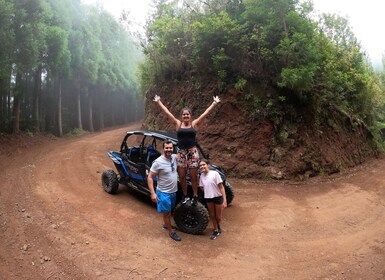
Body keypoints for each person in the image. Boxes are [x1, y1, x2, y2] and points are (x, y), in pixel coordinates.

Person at [153, 94, 220, 206]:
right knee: (182, 176)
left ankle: (194, 195)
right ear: (182, 116)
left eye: (187, 114)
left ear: (190, 116)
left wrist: (214, 103)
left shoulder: (194, 124)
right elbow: (167, 113)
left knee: (194, 176)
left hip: (192, 152)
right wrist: (158, 102)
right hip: (181, 153)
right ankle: (185, 195)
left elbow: (205, 114)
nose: (185, 116)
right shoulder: (178, 124)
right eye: (184, 115)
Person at [148, 140, 181, 241]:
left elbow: (183, 153)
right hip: (163, 193)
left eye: (170, 148)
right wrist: (153, 193)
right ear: (163, 148)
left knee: (169, 211)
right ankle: (171, 231)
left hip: (173, 192)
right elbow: (150, 177)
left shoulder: (174, 157)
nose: (169, 150)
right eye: (167, 148)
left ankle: (166, 224)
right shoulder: (158, 162)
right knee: (166, 213)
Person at [198, 159, 227, 240]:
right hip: (208, 197)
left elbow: (221, 187)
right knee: (212, 215)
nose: (202, 167)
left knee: (218, 217)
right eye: (200, 166)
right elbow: (201, 186)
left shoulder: (215, 173)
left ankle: (218, 226)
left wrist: (224, 200)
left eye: (203, 164)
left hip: (218, 197)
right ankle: (216, 230)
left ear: (208, 165)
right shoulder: (202, 176)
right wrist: (207, 191)